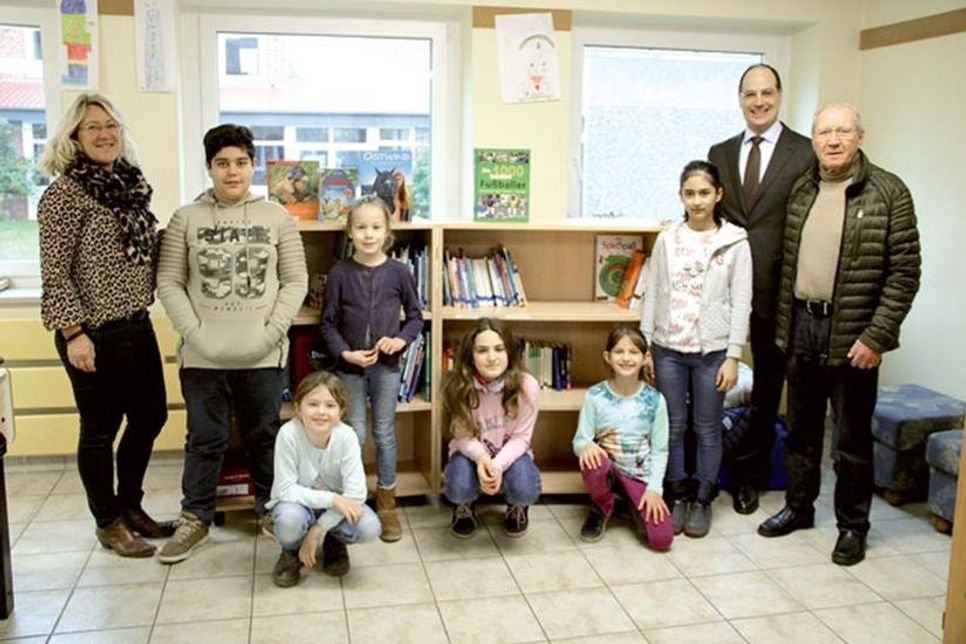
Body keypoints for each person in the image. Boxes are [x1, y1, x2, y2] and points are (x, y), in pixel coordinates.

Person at [758, 103, 921, 566]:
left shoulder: (889, 192)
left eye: (843, 131)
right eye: (825, 131)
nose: (833, 140)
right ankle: (798, 508)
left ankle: (852, 526)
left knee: (850, 441)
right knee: (801, 432)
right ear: (813, 140)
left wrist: (877, 337)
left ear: (860, 137)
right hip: (802, 326)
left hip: (853, 334)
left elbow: (904, 274)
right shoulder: (801, 188)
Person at [156, 124, 307, 564]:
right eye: (222, 163)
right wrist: (195, 333)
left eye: (240, 162)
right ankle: (195, 518)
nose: (232, 171)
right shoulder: (186, 218)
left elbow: (295, 280)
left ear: (252, 165)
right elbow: (169, 280)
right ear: (208, 167)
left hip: (263, 354)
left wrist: (271, 331)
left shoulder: (277, 218)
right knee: (205, 438)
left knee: (264, 436)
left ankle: (270, 510)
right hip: (203, 357)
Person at [37, 93, 172, 558]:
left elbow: (148, 249)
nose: (104, 133)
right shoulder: (64, 193)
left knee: (151, 415)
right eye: (92, 126)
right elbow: (54, 271)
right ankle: (108, 521)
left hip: (137, 324)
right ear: (74, 136)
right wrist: (74, 333)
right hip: (91, 333)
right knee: (99, 429)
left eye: (111, 125)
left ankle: (130, 505)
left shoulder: (130, 185)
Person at [708, 64, 815, 515]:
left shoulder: (806, 153)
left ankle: (750, 477)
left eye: (766, 93)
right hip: (726, 290)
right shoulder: (720, 151)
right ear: (739, 99)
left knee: (769, 389)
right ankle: (707, 472)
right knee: (713, 382)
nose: (758, 101)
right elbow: (710, 210)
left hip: (779, 291)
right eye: (750, 94)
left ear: (780, 96)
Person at [641, 160, 752, 538]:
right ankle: (676, 493)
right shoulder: (668, 239)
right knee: (671, 427)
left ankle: (703, 498)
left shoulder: (736, 242)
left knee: (707, 428)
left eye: (704, 192)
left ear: (718, 194)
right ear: (681, 196)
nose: (697, 201)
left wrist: (734, 354)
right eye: (690, 193)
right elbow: (653, 292)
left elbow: (742, 302)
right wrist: (646, 347)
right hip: (668, 349)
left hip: (712, 352)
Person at [319, 194, 423, 542]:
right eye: (361, 227)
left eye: (376, 227)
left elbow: (416, 318)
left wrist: (400, 341)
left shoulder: (399, 272)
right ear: (350, 232)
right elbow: (328, 324)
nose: (368, 234)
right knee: (353, 434)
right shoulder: (339, 273)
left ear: (387, 232)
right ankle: (351, 498)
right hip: (348, 369)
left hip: (387, 368)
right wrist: (345, 354)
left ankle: (388, 502)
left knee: (383, 432)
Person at [267, 371, 381, 587]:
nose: (321, 412)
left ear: (341, 412)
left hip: (335, 510)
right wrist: (333, 499)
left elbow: (356, 493)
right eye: (313, 404)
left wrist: (317, 531)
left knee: (369, 527)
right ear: (298, 408)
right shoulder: (288, 434)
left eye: (330, 405)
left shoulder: (346, 436)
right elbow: (285, 489)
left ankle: (333, 541)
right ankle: (291, 551)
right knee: (289, 521)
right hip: (299, 505)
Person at [573, 324, 672, 550]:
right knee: (594, 462)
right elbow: (579, 441)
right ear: (607, 357)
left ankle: (627, 502)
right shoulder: (595, 396)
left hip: (639, 475)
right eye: (619, 351)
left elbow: (660, 450)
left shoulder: (656, 400)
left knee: (662, 539)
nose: (626, 358)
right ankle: (603, 505)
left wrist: (655, 489)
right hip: (608, 470)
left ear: (646, 357)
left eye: (633, 352)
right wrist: (586, 446)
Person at [442, 318, 542, 538]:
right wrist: (482, 460)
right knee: (457, 486)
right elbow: (462, 437)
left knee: (524, 488)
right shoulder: (458, 386)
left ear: (510, 352)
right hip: (471, 453)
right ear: (470, 356)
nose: (492, 357)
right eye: (482, 350)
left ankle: (517, 506)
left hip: (511, 453)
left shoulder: (528, 386)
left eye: (499, 349)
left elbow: (522, 439)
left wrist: (496, 465)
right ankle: (465, 505)